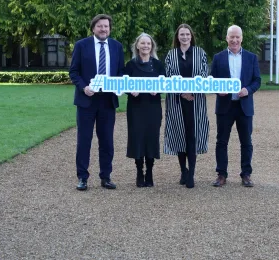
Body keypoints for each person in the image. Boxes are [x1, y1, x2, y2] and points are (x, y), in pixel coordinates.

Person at [69, 14, 124, 191]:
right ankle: (82, 177)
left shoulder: (117, 47)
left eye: (106, 26)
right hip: (87, 100)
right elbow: (74, 72)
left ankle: (106, 176)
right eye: (100, 26)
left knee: (107, 140)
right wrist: (84, 87)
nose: (103, 29)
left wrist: (120, 86)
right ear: (93, 28)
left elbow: (121, 72)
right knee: (84, 140)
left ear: (110, 28)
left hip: (107, 100)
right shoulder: (81, 45)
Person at [210, 25, 261, 187]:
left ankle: (246, 174)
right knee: (221, 141)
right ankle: (221, 174)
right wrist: (219, 91)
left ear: (242, 38)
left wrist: (248, 90)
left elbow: (257, 81)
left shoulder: (251, 57)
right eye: (231, 37)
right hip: (225, 106)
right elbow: (212, 80)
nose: (234, 40)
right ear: (226, 38)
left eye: (237, 37)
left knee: (246, 142)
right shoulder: (218, 58)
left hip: (244, 106)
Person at [164, 24, 210, 188]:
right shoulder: (171, 54)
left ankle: (192, 173)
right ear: (177, 37)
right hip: (177, 101)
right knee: (179, 133)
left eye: (187, 34)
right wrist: (182, 93)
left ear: (191, 36)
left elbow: (204, 75)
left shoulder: (200, 53)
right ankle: (183, 170)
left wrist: (192, 93)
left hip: (195, 101)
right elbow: (168, 76)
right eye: (181, 34)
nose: (184, 37)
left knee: (193, 134)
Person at [125, 33, 165, 187]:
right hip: (136, 107)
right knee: (137, 138)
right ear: (137, 45)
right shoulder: (130, 65)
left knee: (151, 138)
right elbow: (122, 83)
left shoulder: (158, 65)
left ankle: (149, 172)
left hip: (153, 107)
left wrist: (158, 89)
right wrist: (130, 90)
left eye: (148, 44)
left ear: (152, 46)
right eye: (143, 43)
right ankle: (139, 172)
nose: (145, 46)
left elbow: (165, 83)